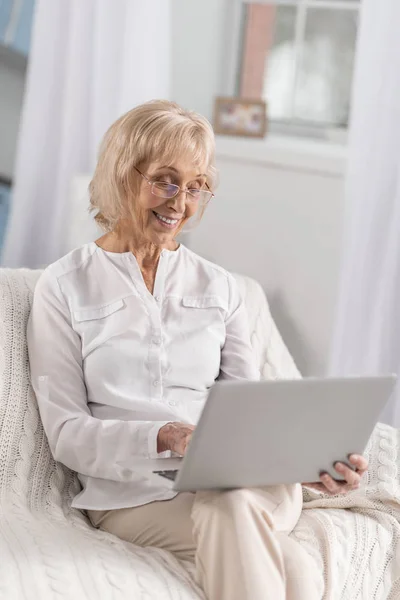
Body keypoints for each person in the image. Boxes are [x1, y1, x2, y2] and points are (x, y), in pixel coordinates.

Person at [27, 100, 368, 600]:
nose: (179, 202)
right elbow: (68, 436)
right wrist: (165, 437)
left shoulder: (222, 287)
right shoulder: (62, 288)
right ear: (122, 174)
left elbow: (248, 410)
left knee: (229, 500)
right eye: (165, 180)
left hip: (246, 483)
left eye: (196, 186)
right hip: (132, 498)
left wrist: (314, 466)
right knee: (288, 562)